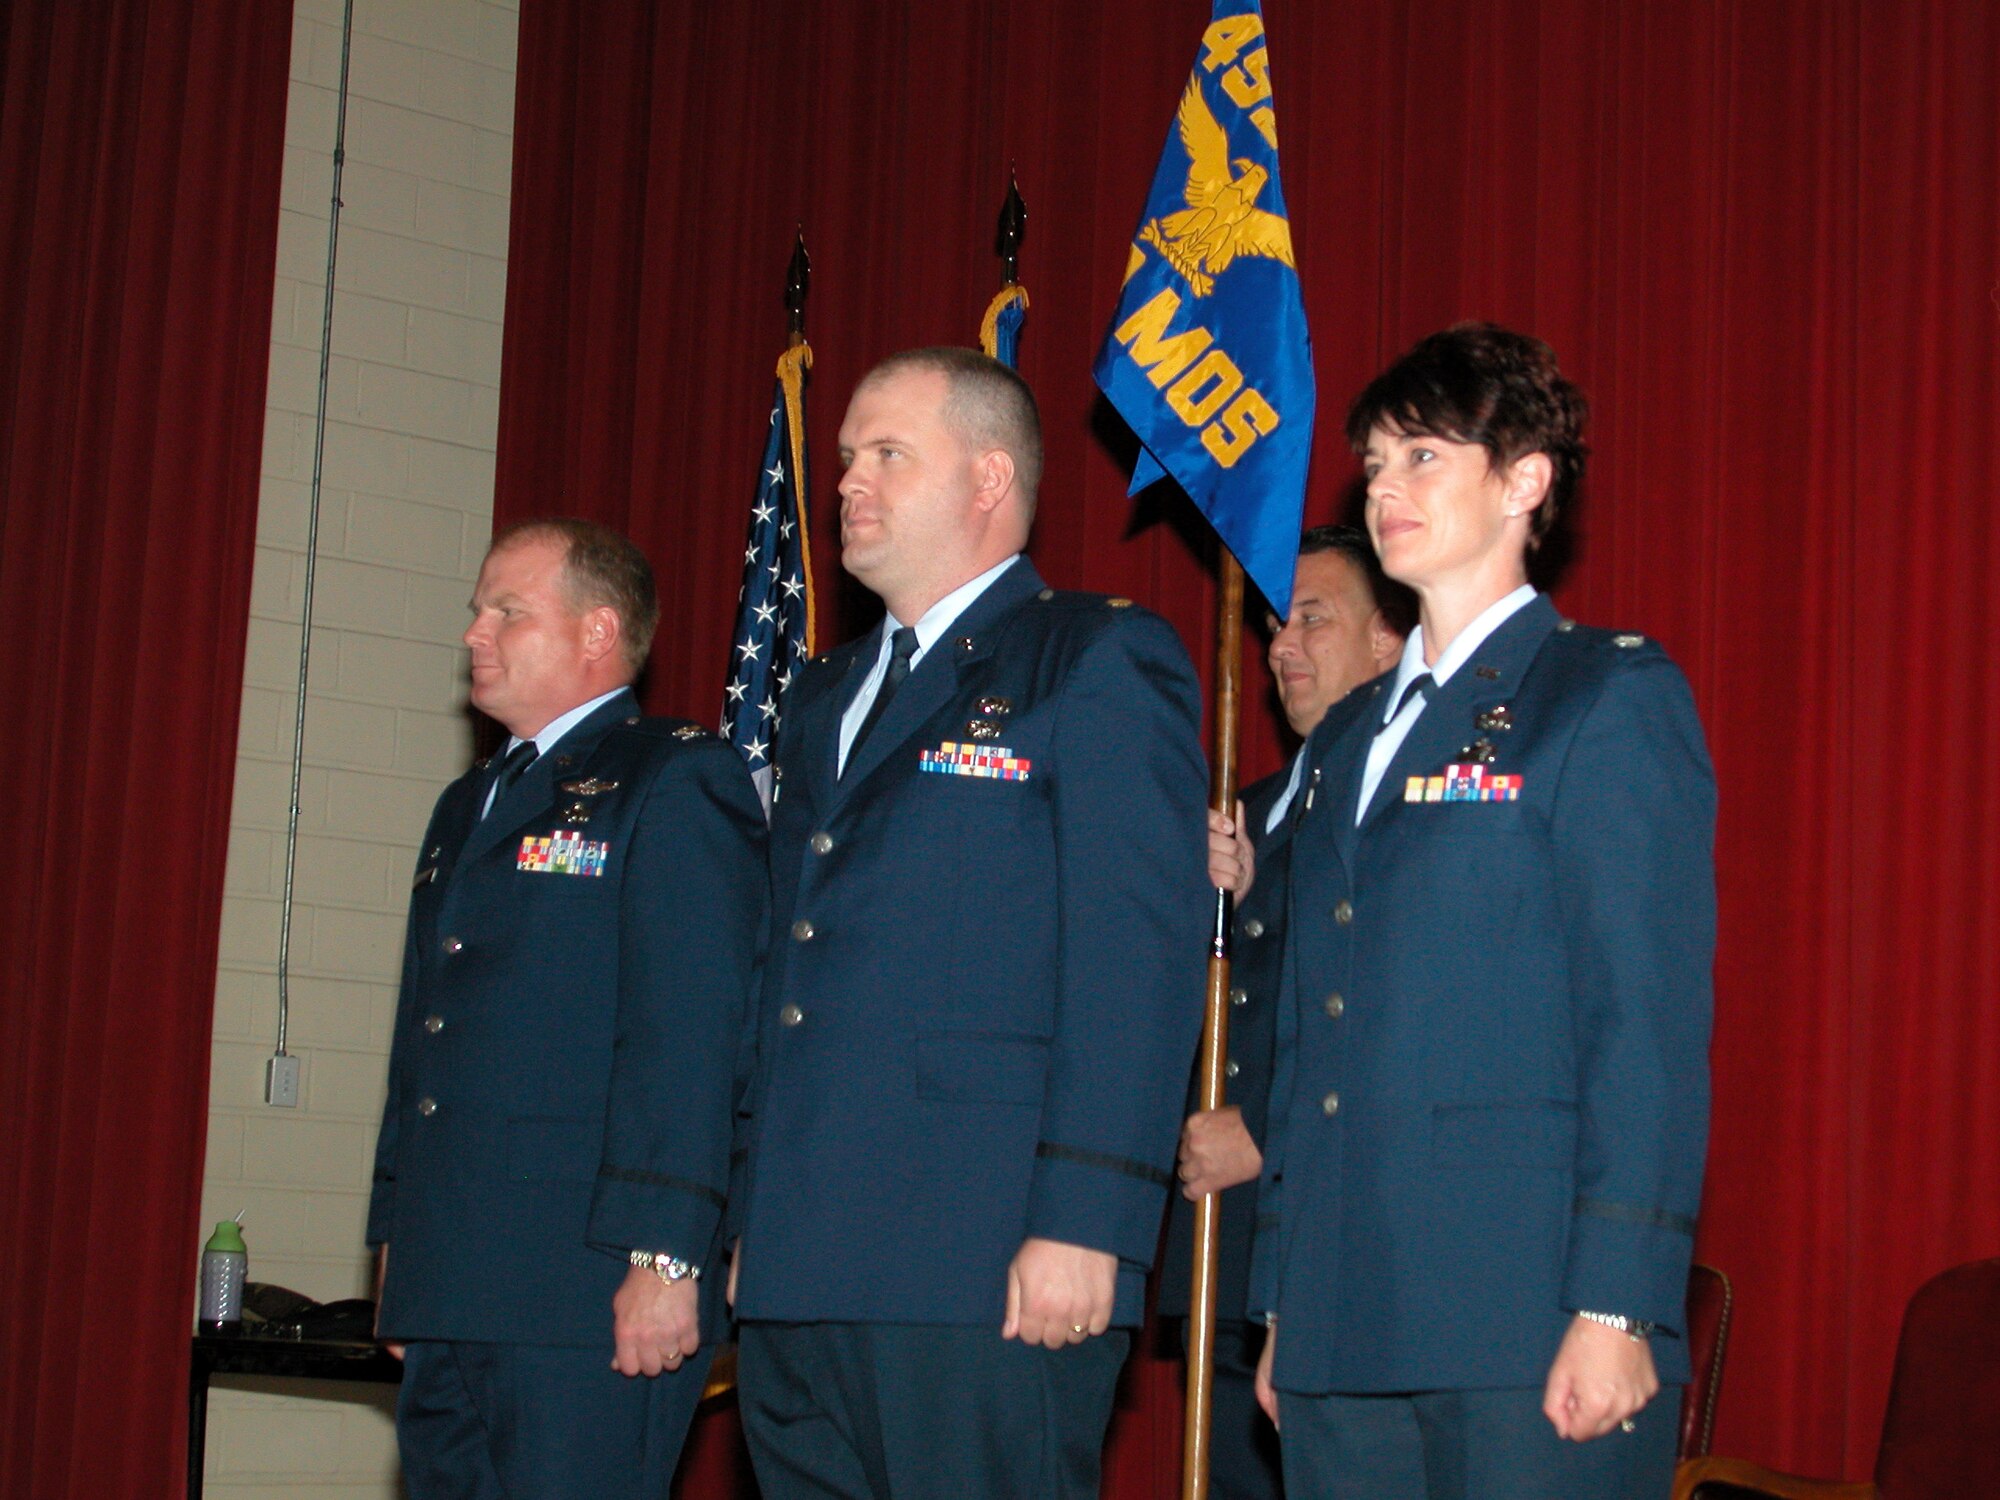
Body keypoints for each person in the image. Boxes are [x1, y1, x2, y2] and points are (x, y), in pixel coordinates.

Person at [729, 347, 1209, 1499]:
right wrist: (755, 1213)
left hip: (980, 1253)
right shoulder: (822, 694)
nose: (847, 482)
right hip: (805, 1255)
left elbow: (1132, 963)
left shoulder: (1089, 658)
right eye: (845, 457)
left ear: (988, 481)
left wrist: (1089, 1220)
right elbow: (782, 970)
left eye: (887, 454)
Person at [1249, 325, 1716, 1499]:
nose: (1383, 489)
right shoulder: (1347, 735)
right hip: (1342, 1314)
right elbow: (1307, 1038)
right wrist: (1279, 1297)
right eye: (1371, 465)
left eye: (1420, 457)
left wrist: (1616, 1300)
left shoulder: (1601, 695)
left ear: (1523, 482)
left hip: (1521, 1315)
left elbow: (1641, 1025)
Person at [365, 519, 766, 1500]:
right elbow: (424, 1038)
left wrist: (668, 1253)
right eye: (475, 611)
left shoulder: (670, 777)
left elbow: (693, 1035)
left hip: (583, 1285)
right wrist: (398, 1241)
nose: (474, 633)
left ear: (595, 633)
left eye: (507, 611)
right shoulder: (469, 804)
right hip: (456, 1272)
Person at [1159, 526, 1408, 1500]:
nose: (1278, 646)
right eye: (1270, 623)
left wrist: (1265, 1137)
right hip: (1224, 1252)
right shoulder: (1246, 813)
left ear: (1387, 640)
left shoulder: (1407, 801)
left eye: (1312, 618)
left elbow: (1400, 1008)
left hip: (1334, 1241)